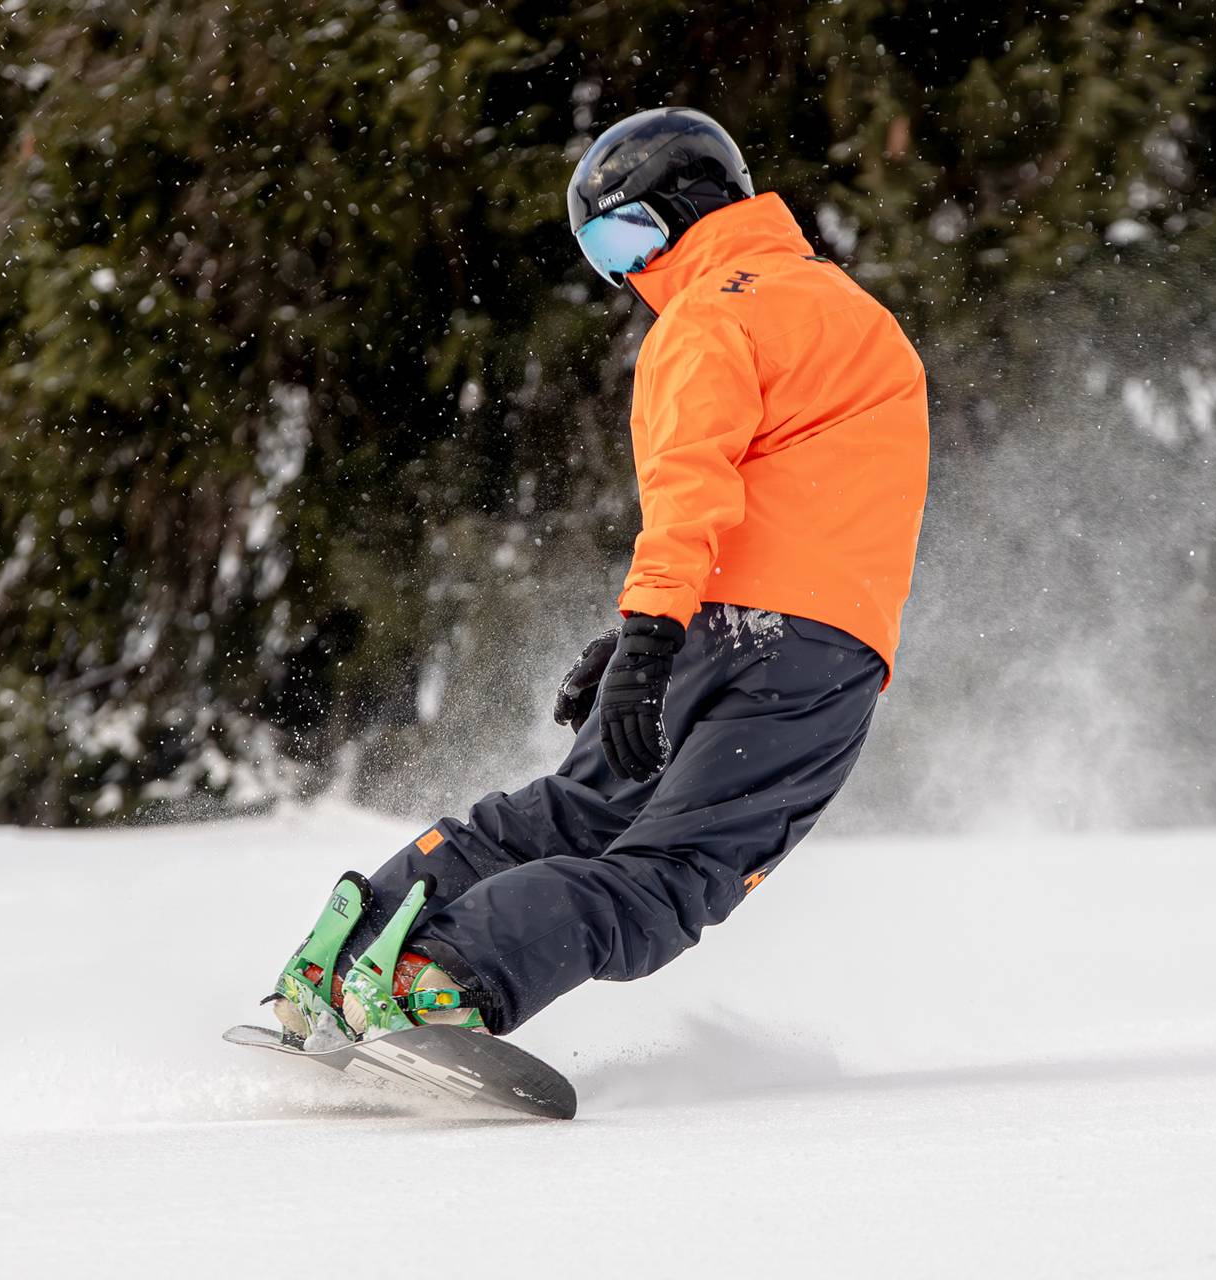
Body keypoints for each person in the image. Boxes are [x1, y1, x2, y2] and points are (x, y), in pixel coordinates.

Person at [266, 107, 929, 1043]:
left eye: (628, 235)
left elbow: (694, 490)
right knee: (670, 872)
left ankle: (348, 951)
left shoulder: (707, 317)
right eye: (601, 253)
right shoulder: (853, 314)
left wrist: (654, 633)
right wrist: (645, 633)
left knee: (577, 817)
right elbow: (787, 499)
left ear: (691, 205)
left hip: (725, 630)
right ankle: (434, 979)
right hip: (812, 645)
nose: (625, 273)